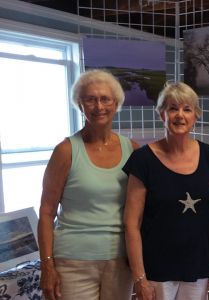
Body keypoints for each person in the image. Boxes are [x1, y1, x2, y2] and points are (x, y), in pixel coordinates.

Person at [38, 69, 139, 300]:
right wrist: (47, 266)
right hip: (73, 261)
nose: (98, 106)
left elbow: (139, 210)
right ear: (79, 104)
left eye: (105, 99)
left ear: (116, 104)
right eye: (90, 99)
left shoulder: (132, 150)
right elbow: (46, 212)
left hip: (120, 260)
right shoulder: (65, 151)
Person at [123, 82, 209, 300]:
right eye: (172, 108)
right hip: (156, 269)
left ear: (196, 115)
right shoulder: (142, 161)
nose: (180, 115)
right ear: (161, 114)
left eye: (187, 109)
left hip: (198, 263)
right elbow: (131, 224)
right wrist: (139, 277)